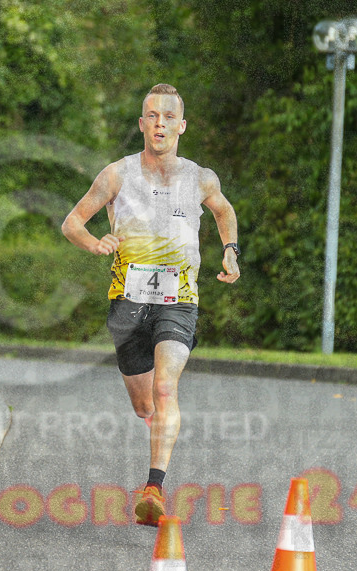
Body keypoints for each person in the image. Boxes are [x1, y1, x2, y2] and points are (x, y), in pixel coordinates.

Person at [61, 83, 240, 526]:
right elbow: (71, 223)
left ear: (181, 125)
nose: (159, 123)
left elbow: (223, 211)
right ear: (142, 125)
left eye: (167, 116)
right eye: (151, 116)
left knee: (166, 389)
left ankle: (154, 488)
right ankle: (157, 430)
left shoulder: (200, 177)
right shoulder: (116, 175)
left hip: (179, 298)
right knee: (145, 405)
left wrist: (231, 250)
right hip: (129, 302)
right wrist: (94, 242)